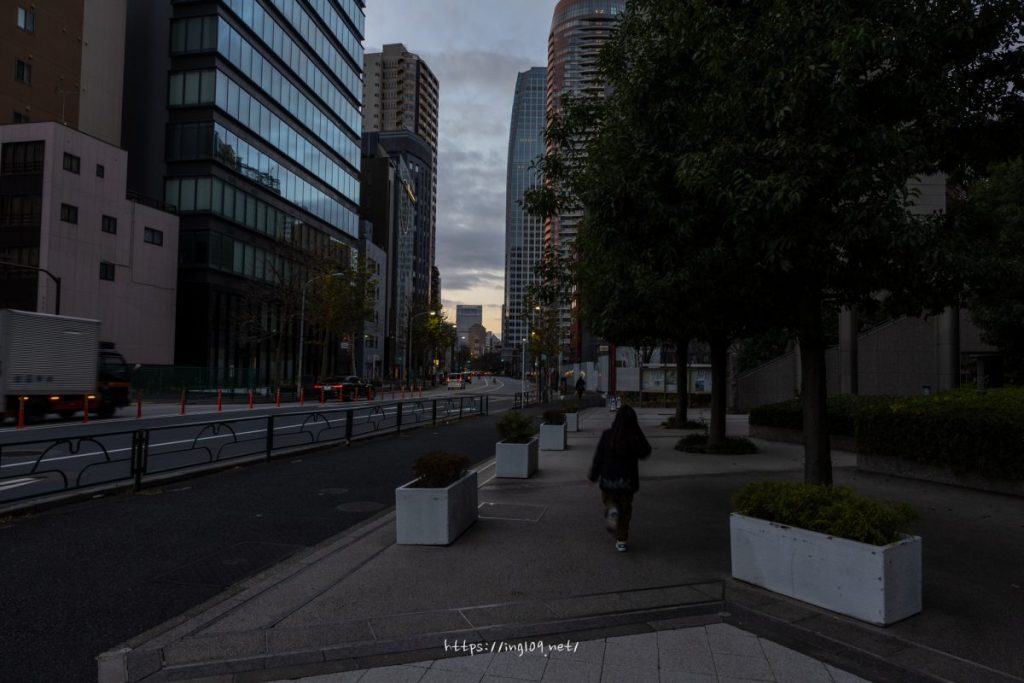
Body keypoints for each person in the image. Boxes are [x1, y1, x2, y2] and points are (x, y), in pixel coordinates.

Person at [587, 405, 651, 552]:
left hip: (608, 481)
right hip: (627, 483)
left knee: (610, 502)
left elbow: (599, 458)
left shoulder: (607, 435)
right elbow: (646, 452)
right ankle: (621, 540)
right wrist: (638, 432)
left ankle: (612, 511)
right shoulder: (634, 437)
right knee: (625, 510)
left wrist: (593, 477)